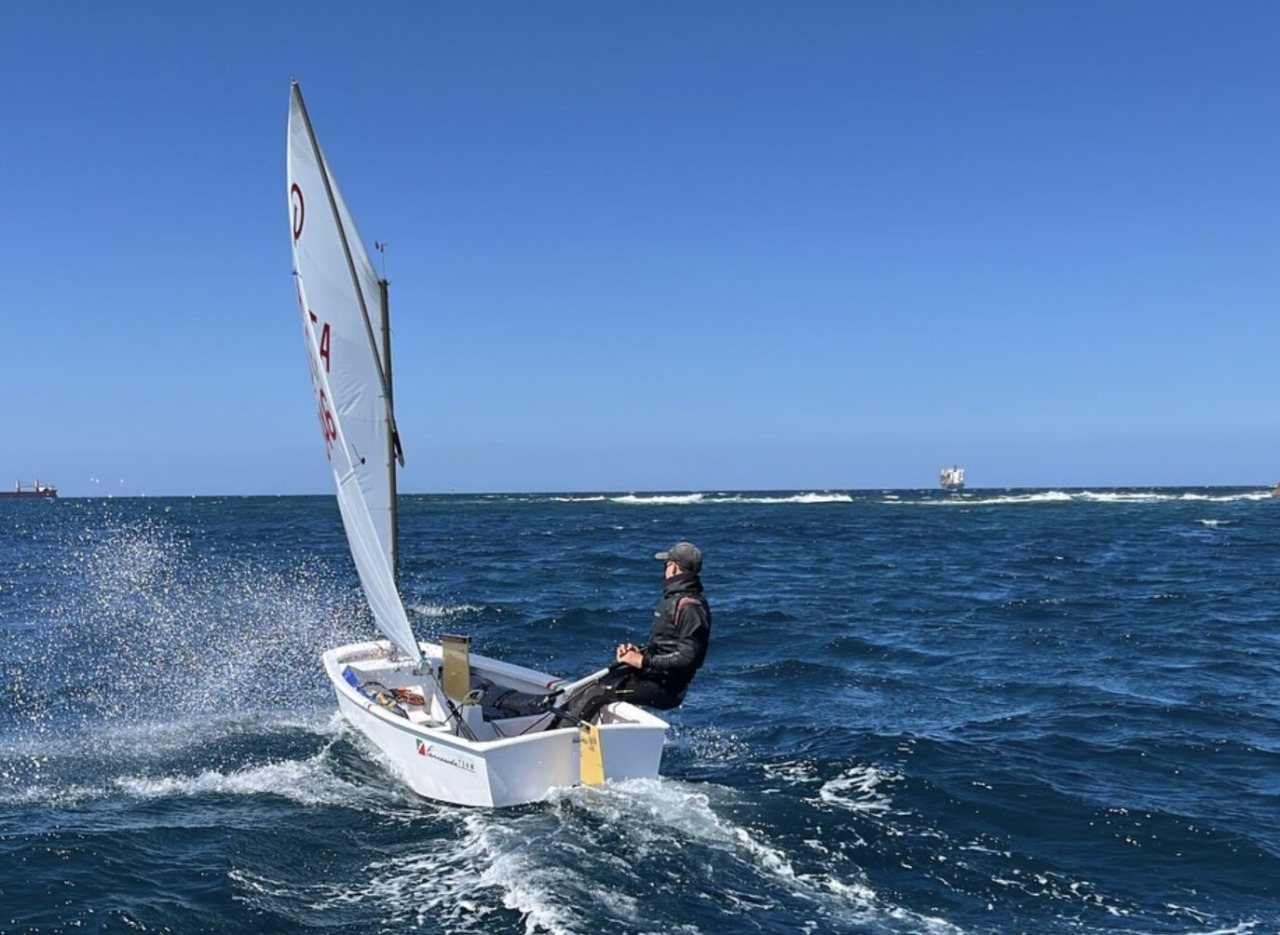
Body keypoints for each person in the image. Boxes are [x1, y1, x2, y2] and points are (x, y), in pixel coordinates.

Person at [557, 540, 711, 725]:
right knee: (589, 684)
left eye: (666, 564)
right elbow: (665, 646)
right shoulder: (674, 600)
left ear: (674, 568)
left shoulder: (690, 607)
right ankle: (553, 728)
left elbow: (689, 659)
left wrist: (642, 661)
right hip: (652, 675)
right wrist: (638, 652)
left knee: (599, 691)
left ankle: (560, 741)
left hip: (667, 689)